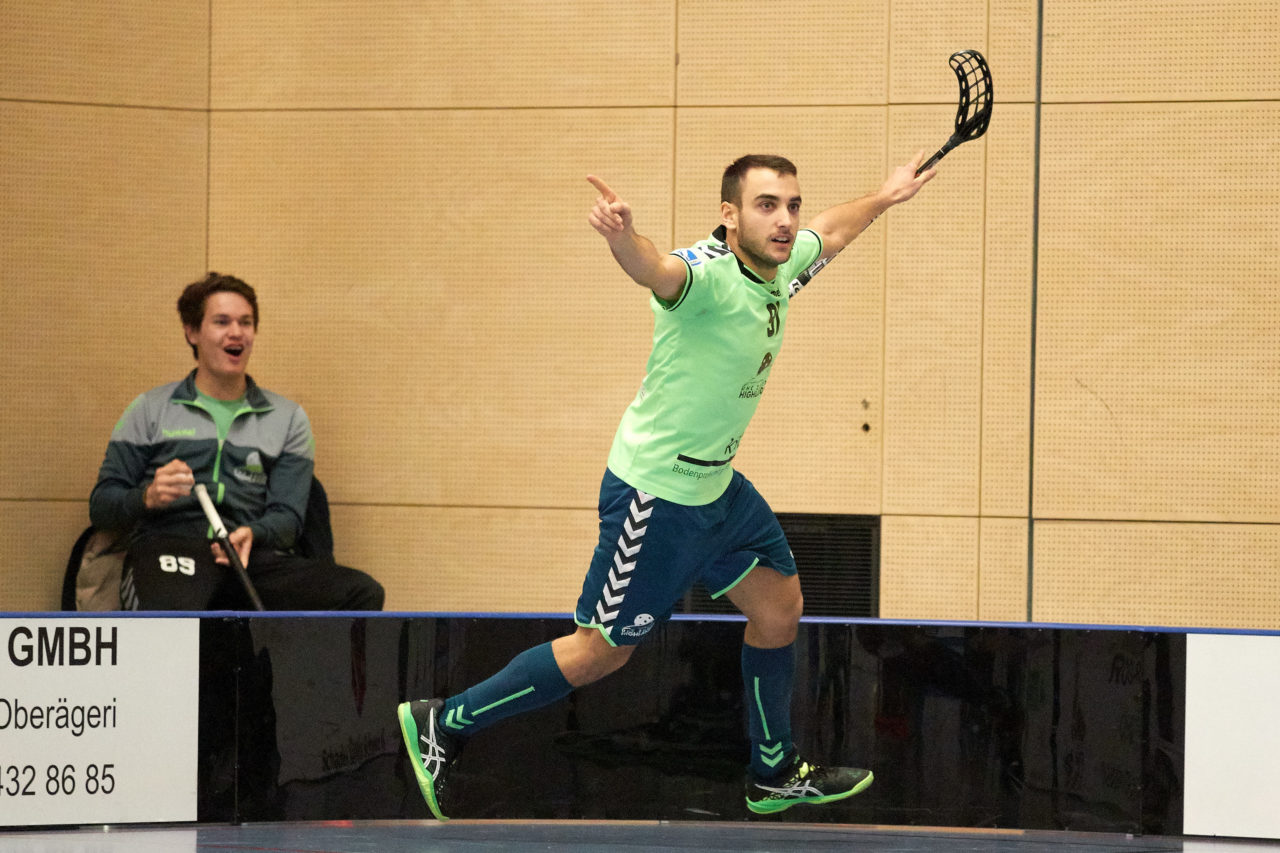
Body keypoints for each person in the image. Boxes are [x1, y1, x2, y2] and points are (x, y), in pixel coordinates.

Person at [397, 152, 936, 819]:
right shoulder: (704, 277)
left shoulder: (781, 261)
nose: (785, 219)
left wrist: (884, 196)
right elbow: (656, 269)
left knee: (778, 607)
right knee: (600, 653)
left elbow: (834, 231)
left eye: (791, 204)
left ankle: (772, 773)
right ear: (728, 214)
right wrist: (623, 236)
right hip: (656, 496)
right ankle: (442, 722)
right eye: (767, 205)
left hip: (717, 490)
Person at [89, 272, 384, 611]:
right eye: (222, 321)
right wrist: (148, 497)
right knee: (174, 622)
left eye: (246, 322)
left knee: (360, 593)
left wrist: (254, 534)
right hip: (171, 550)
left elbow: (288, 518)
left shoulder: (287, 419)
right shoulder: (148, 410)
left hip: (248, 553)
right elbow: (102, 507)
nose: (236, 332)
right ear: (192, 331)